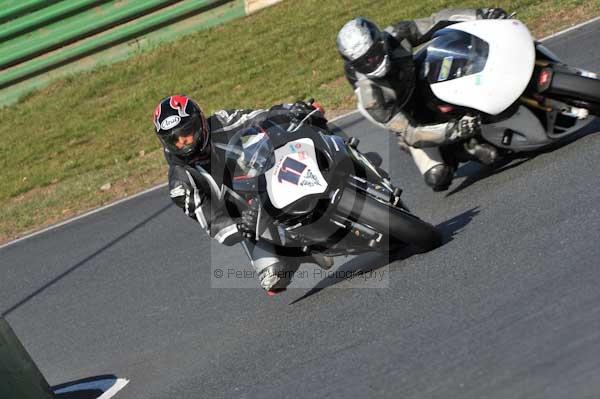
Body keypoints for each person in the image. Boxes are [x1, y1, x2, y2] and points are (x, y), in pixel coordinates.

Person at [152, 95, 332, 295]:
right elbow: (214, 224)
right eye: (173, 139)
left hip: (268, 174)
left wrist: (292, 110)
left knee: (305, 125)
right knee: (274, 278)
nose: (183, 142)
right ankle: (299, 251)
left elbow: (258, 116)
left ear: (200, 122)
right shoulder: (180, 184)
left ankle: (345, 163)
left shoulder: (221, 122)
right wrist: (242, 225)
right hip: (250, 216)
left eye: (186, 132)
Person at [336, 8, 509, 191]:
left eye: (373, 53)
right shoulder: (370, 97)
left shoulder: (397, 35)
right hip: (407, 116)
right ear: (354, 64)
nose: (372, 62)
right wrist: (456, 130)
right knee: (438, 177)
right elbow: (413, 133)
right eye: (364, 61)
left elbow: (437, 21)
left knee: (452, 55)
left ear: (380, 41)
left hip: (420, 81)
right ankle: (461, 149)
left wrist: (482, 15)